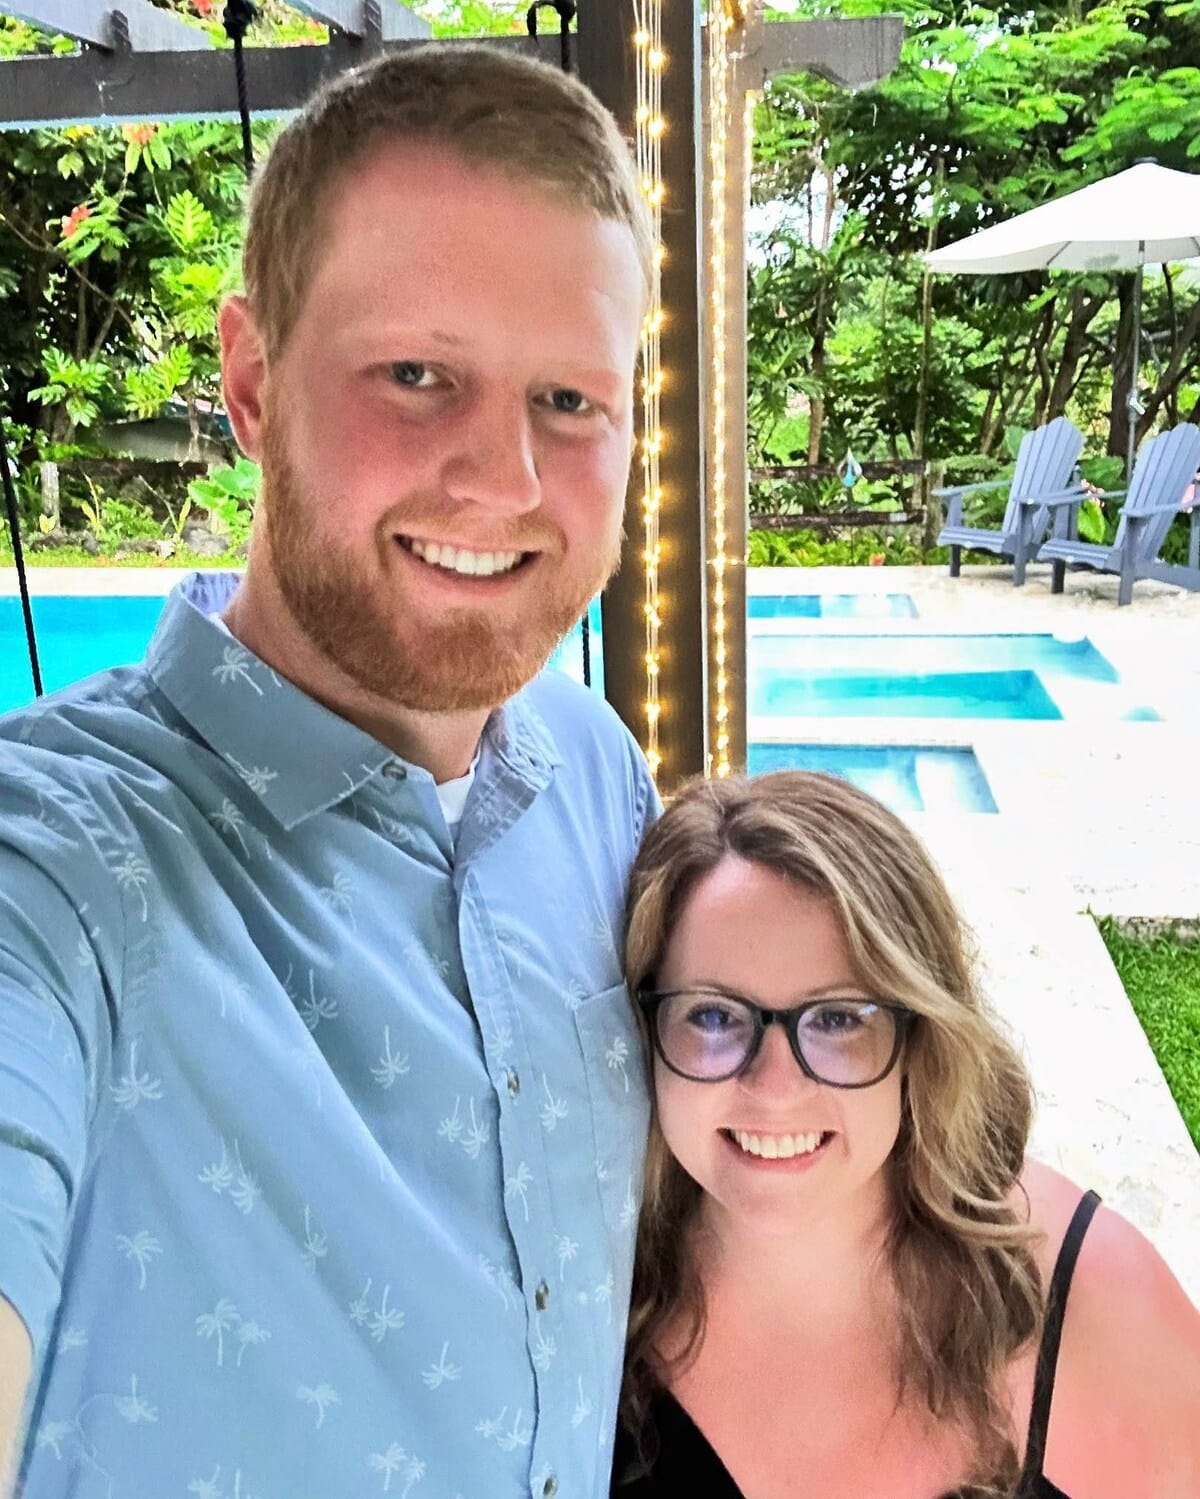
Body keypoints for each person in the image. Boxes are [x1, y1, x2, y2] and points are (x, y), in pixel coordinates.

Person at [0, 44, 658, 1499]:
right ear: (250, 383)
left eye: (569, 399)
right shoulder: (60, 863)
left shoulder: (596, 775)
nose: (504, 481)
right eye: (416, 375)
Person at [613, 771, 1200, 1499]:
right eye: (712, 1016)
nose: (774, 1085)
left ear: (921, 1037)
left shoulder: (1091, 1301)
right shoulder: (590, 1300)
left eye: (837, 1019)